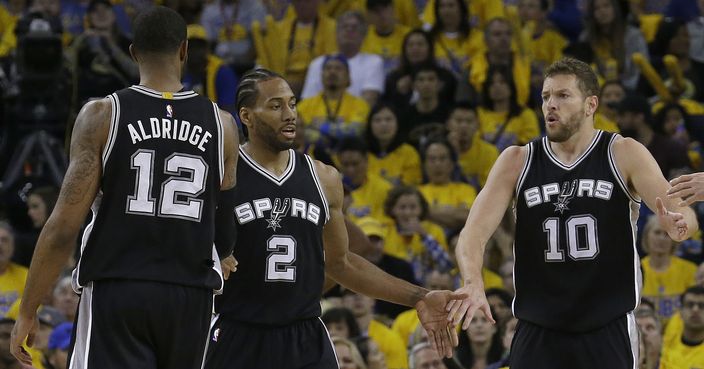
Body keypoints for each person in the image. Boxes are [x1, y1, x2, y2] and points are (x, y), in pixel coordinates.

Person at [10, 6, 239, 369]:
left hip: (119, 287)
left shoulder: (103, 114)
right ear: (183, 50)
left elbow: (64, 225)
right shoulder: (223, 125)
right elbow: (226, 230)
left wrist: (28, 307)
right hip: (190, 295)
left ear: (133, 52)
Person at [448, 57, 699, 369]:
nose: (551, 105)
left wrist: (680, 225)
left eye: (563, 96)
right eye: (545, 97)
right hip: (538, 327)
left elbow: (679, 209)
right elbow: (473, 233)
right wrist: (472, 281)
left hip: (606, 328)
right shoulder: (516, 161)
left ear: (590, 104)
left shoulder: (623, 152)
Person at [205, 68, 463, 369]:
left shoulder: (323, 177)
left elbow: (342, 263)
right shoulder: (224, 173)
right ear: (246, 116)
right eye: (275, 106)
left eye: (292, 103)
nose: (289, 114)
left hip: (304, 335)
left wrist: (420, 296)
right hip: (238, 332)